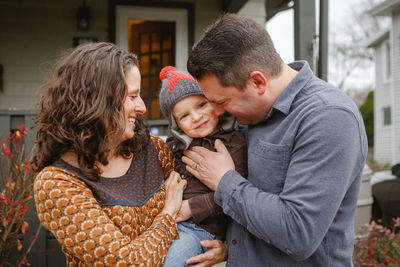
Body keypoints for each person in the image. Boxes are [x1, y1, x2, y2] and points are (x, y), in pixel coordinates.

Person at [182, 14, 369, 266]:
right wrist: (230, 247)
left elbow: (298, 232)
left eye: (221, 102)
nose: (216, 113)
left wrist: (224, 181)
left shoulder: (328, 117)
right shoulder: (247, 115)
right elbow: (253, 209)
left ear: (257, 81)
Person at [33, 42, 187, 266]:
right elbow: (127, 262)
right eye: (132, 97)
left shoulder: (153, 150)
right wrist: (169, 211)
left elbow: (197, 206)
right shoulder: (57, 184)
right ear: (97, 101)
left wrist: (221, 247)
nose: (142, 107)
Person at [158, 66, 248, 267]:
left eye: (201, 105)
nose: (197, 117)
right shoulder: (174, 148)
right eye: (184, 116)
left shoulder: (233, 144)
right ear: (177, 126)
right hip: (167, 223)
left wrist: (191, 208)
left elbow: (237, 195)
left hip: (200, 228)